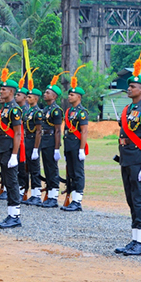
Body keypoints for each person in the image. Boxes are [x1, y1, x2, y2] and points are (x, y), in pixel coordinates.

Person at [115, 49, 141, 256]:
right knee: (131, 199)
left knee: (139, 199)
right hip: (126, 159)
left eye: (132, 86)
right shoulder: (128, 110)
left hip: (138, 160)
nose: (128, 88)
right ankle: (134, 239)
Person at [0, 73, 24, 228]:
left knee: (12, 182)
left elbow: (18, 133)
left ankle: (15, 216)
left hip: (11, 150)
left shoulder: (14, 109)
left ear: (11, 92)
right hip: (3, 149)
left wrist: (14, 154)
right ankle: (10, 214)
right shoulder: (5, 108)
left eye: (3, 89)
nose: (0, 92)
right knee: (6, 181)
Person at [62, 68, 89, 212]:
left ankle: (77, 201)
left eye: (71, 95)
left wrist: (81, 149)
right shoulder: (69, 111)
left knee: (78, 172)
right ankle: (72, 198)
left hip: (77, 144)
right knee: (70, 172)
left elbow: (84, 131)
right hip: (68, 144)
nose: (69, 97)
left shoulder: (82, 112)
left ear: (78, 96)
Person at [39, 73, 65, 208]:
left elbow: (58, 130)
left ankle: (54, 197)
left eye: (48, 93)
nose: (45, 94)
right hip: (44, 140)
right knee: (47, 169)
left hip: (51, 141)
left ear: (54, 96)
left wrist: (56, 148)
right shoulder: (46, 109)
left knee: (52, 169)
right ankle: (49, 194)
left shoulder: (56, 110)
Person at [21, 85, 43, 206]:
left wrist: (36, 148)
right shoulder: (28, 111)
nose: (27, 99)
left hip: (34, 141)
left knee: (35, 169)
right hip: (27, 141)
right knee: (27, 168)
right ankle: (29, 193)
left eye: (29, 97)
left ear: (35, 98)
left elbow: (39, 131)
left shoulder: (38, 113)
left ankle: (36, 194)